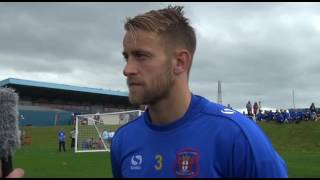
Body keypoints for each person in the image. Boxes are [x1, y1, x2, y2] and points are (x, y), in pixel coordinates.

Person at [110, 5, 288, 178]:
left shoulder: (237, 137)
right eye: (127, 57)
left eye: (141, 56)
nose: (127, 69)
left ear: (180, 62)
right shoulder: (124, 140)